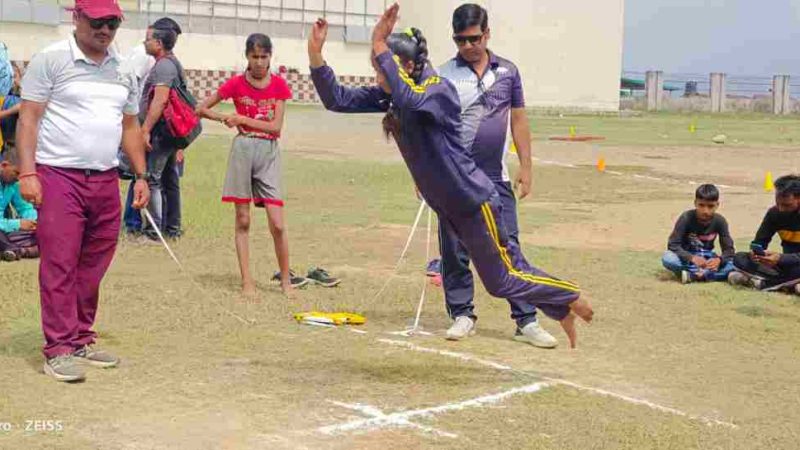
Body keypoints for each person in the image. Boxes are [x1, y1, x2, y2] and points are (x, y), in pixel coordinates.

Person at [309, 3, 593, 347]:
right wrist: (316, 58)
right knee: (498, 280)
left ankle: (569, 296)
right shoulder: (395, 95)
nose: (377, 76)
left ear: (408, 67)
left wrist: (380, 44)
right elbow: (337, 99)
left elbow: (412, 100)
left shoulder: (435, 89)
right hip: (451, 206)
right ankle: (559, 309)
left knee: (506, 273)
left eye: (381, 68)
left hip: (474, 200)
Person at [17, 0, 150, 382]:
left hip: (105, 178)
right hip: (59, 176)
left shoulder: (122, 67)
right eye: (97, 21)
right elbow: (29, 119)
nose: (105, 30)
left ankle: (79, 337)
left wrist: (141, 176)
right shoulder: (52, 59)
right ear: (76, 18)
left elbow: (129, 125)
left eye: (112, 23)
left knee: (94, 262)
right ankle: (58, 348)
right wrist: (28, 173)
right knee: (60, 262)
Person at [433, 4, 554, 347]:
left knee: (508, 247)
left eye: (473, 38)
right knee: (455, 249)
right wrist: (425, 175)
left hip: (495, 180)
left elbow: (518, 120)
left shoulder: (508, 73)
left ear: (487, 34)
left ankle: (526, 320)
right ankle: (461, 314)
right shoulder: (443, 76)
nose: (468, 46)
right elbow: (432, 128)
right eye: (460, 40)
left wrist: (527, 167)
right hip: (453, 179)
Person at [196, 33, 303, 296]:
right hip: (243, 150)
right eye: (254, 56)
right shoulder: (235, 84)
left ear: (270, 57)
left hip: (268, 152)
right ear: (247, 56)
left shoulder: (279, 86)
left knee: (277, 223)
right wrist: (225, 118)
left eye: (263, 57)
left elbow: (276, 127)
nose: (258, 62)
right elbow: (201, 108)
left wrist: (242, 119)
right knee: (243, 219)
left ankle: (287, 281)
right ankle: (247, 282)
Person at [140, 18, 185, 240]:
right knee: (169, 180)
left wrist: (145, 128)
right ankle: (172, 228)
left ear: (158, 43)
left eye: (147, 39)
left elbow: (159, 101)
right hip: (168, 133)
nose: (144, 42)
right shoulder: (169, 63)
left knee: (153, 180)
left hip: (161, 132)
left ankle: (153, 231)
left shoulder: (165, 66)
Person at [730, 174, 800, 292]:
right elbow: (759, 242)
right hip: (786, 266)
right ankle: (788, 283)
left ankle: (764, 284)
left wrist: (781, 258)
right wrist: (757, 254)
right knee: (739, 258)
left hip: (792, 263)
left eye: (787, 205)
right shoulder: (774, 214)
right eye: (778, 203)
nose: (781, 209)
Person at [662, 184, 735, 283]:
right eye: (701, 205)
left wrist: (719, 260)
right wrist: (692, 258)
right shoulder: (686, 218)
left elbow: (729, 250)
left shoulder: (720, 221)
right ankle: (710, 275)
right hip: (688, 257)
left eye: (710, 206)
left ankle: (693, 276)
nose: (705, 210)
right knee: (668, 258)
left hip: (707, 258)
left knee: (734, 263)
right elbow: (673, 244)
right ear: (695, 203)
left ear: (717, 205)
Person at [0, 150, 38, 261]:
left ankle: (15, 250)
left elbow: (24, 207)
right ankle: (15, 250)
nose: (18, 178)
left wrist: (36, 221)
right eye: (16, 173)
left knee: (43, 233)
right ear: (4, 165)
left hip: (6, 231)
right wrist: (18, 224)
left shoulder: (13, 183)